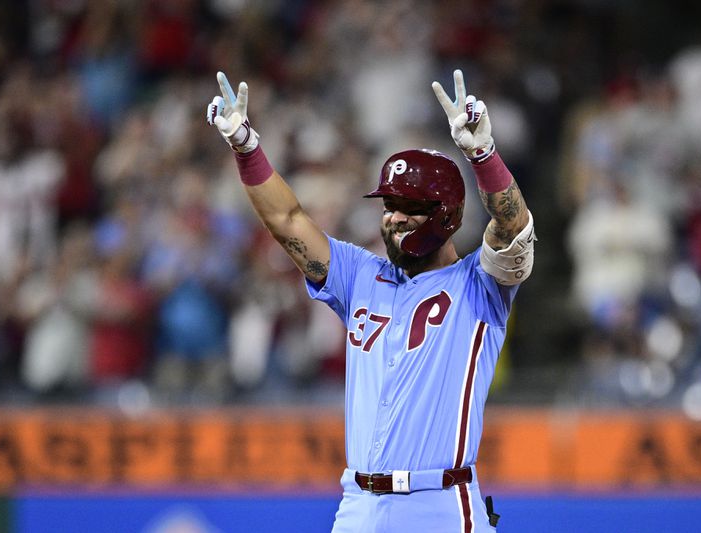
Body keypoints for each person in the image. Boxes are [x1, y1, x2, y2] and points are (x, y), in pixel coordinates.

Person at [207, 68, 536, 532]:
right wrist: (247, 148)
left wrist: (482, 155)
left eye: (409, 207)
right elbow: (286, 220)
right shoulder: (360, 275)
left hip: (439, 502)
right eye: (388, 206)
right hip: (358, 503)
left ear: (445, 214)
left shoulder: (481, 284)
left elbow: (514, 230)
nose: (394, 218)